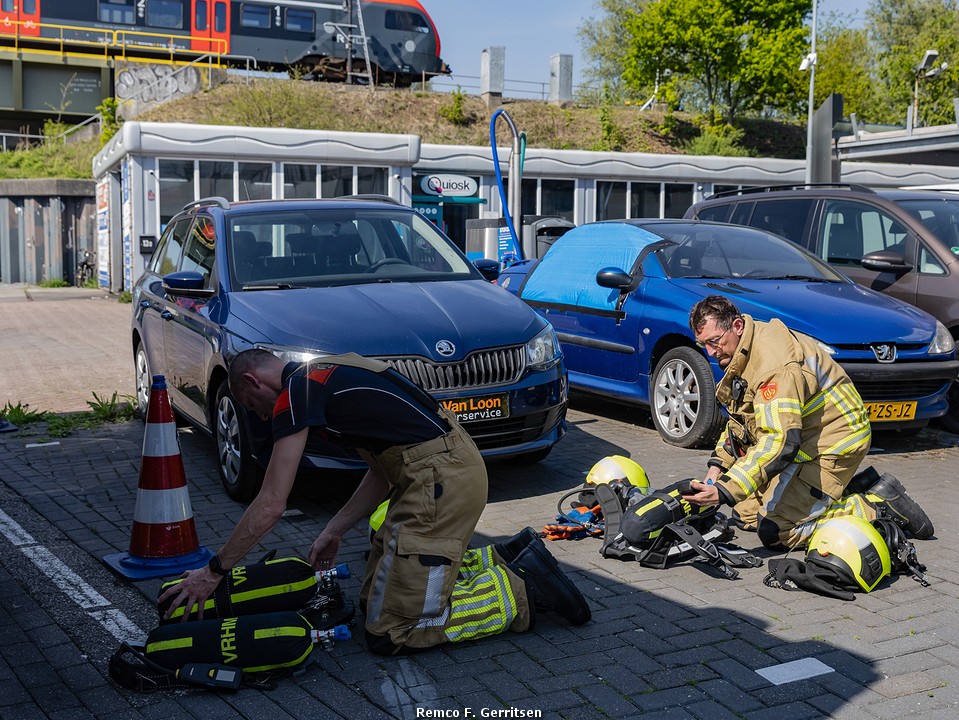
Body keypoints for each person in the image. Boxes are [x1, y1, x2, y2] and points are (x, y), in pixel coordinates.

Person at [158, 349, 590, 655]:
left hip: (439, 484)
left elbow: (271, 503)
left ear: (253, 381)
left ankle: (523, 592)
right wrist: (334, 531)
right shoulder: (331, 370)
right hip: (442, 475)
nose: (260, 417)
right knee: (370, 604)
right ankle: (507, 555)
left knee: (391, 632)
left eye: (253, 406)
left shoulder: (296, 393)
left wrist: (214, 572)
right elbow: (382, 473)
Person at [681, 295, 933, 549]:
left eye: (714, 341)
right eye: (703, 344)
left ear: (736, 326)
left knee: (776, 530)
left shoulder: (774, 366)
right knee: (744, 513)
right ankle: (834, 493)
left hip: (835, 443)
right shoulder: (745, 346)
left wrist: (725, 490)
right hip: (806, 439)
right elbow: (743, 419)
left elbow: (779, 442)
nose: (711, 352)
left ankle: (876, 507)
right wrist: (718, 469)